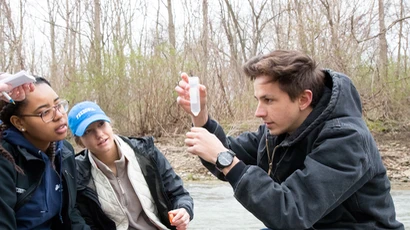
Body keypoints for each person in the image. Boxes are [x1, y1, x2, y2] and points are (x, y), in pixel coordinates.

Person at [175, 50, 404, 229]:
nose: (259, 111)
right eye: (258, 100)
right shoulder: (278, 131)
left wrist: (225, 159)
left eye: (268, 100)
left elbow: (291, 212)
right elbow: (227, 153)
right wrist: (200, 116)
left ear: (304, 99)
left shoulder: (347, 139)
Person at [67, 101, 194, 230]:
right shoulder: (77, 174)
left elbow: (179, 194)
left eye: (101, 124)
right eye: (88, 131)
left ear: (110, 124)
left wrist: (184, 210)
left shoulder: (146, 153)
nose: (99, 134)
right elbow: (82, 222)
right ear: (80, 142)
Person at [0, 76, 90, 229]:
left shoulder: (65, 151)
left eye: (58, 105)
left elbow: (70, 212)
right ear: (19, 122)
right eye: (45, 112)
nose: (59, 115)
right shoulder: (6, 161)